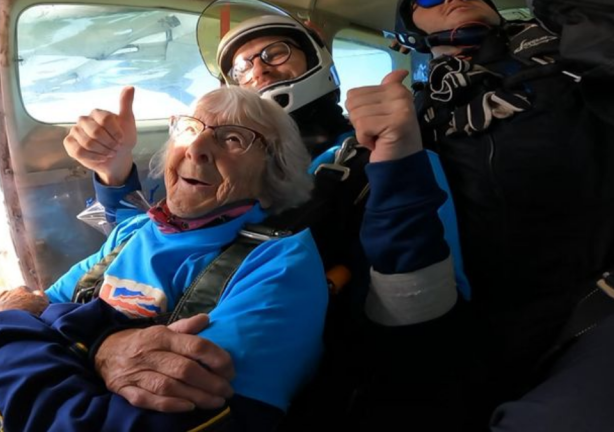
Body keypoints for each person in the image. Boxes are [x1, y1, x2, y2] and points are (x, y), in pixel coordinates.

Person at [62, 1, 466, 428]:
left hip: (331, 372)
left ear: (317, 60)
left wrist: (398, 170)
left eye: (275, 52)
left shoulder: (388, 157)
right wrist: (114, 175)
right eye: (242, 66)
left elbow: (423, 315)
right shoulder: (207, 156)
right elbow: (155, 238)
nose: (257, 68)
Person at [394, 0, 614, 429]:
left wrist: (575, 15)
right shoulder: (417, 109)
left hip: (596, 296)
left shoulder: (569, 51)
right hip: (487, 315)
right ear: (409, 27)